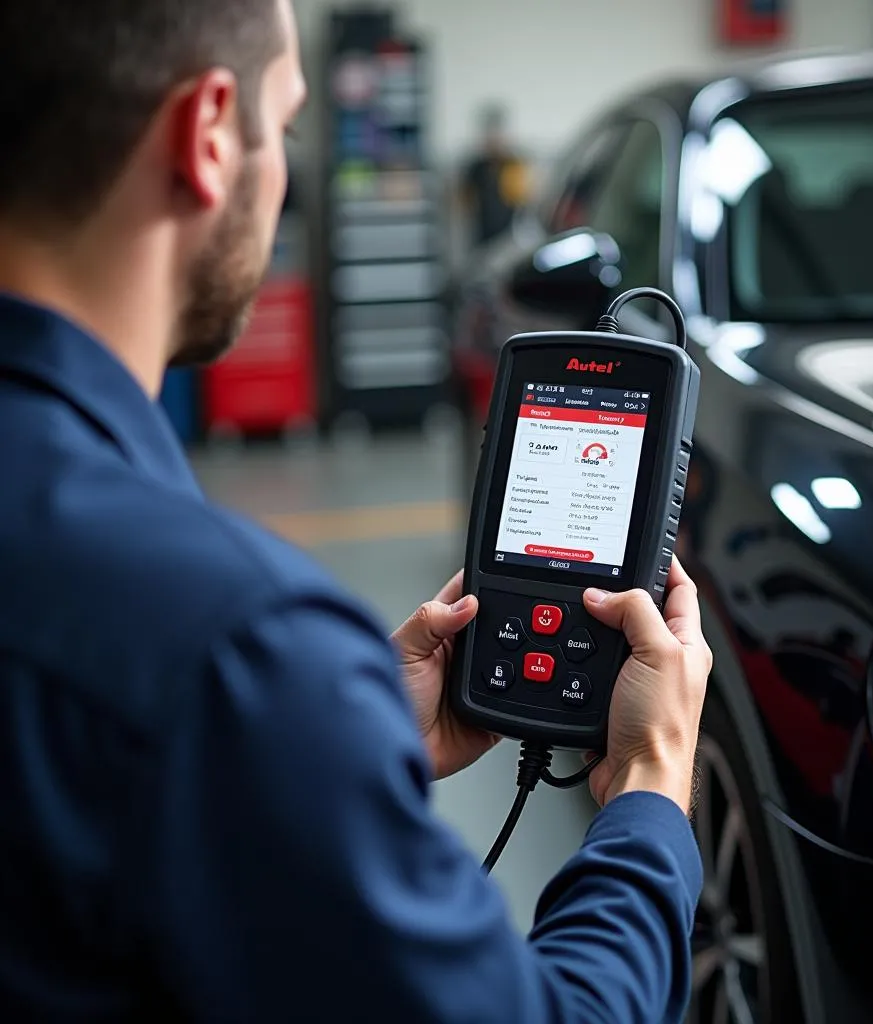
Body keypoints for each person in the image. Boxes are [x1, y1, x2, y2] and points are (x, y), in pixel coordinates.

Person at [0, 2, 712, 1021]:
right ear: (208, 136)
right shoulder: (234, 646)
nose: (283, 168)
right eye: (283, 127)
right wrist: (650, 780)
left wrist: (317, 757)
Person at [459, 103, 532, 247]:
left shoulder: (514, 165)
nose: (494, 140)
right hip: (482, 237)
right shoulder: (476, 168)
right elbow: (465, 204)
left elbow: (524, 200)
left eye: (497, 134)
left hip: (510, 237)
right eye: (490, 135)